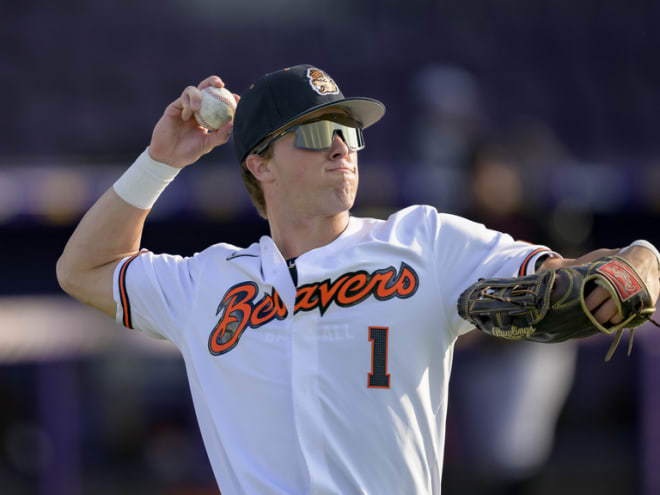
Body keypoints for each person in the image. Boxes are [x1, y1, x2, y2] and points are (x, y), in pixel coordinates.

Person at [56, 64, 660, 494]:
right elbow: (84, 269)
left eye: (348, 132)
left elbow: (570, 272)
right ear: (260, 163)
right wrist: (160, 162)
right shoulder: (209, 281)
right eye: (318, 134)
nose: (342, 148)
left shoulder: (426, 242)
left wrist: (640, 258)